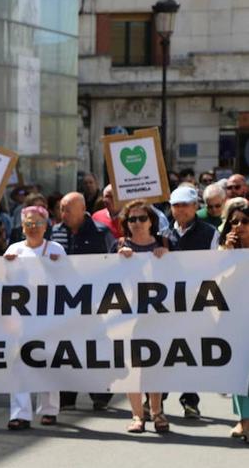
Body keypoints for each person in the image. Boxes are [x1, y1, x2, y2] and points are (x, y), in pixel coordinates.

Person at [51, 192, 116, 410]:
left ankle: (100, 393)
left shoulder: (101, 232)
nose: (63, 213)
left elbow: (114, 263)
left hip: (94, 303)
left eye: (68, 209)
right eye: (61, 208)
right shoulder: (55, 233)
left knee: (94, 348)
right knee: (67, 349)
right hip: (64, 304)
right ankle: (67, 395)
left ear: (82, 209)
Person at [3, 205, 64, 430]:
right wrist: (7, 266)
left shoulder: (55, 248)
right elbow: (4, 283)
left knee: (48, 359)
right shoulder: (14, 250)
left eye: (37, 223)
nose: (33, 228)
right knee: (20, 362)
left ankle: (49, 409)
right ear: (22, 226)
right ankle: (20, 413)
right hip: (22, 316)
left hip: (49, 315)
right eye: (28, 223)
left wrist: (59, 265)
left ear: (46, 225)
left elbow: (68, 279)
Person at [162, 185, 219, 419]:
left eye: (185, 205)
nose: (180, 210)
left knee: (191, 353)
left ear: (195, 206)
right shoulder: (164, 235)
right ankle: (158, 400)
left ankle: (190, 400)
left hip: (197, 303)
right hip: (168, 305)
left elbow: (217, 265)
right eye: (176, 205)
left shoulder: (209, 232)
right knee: (165, 353)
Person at [117, 200, 170, 434]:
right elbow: (101, 278)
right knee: (133, 366)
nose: (137, 223)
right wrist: (118, 259)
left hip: (157, 317)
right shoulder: (117, 246)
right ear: (126, 224)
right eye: (132, 219)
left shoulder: (165, 245)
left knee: (155, 365)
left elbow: (180, 277)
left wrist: (167, 256)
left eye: (142, 218)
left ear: (151, 221)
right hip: (127, 318)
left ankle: (157, 412)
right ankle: (137, 415)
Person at [217, 197, 249, 442]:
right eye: (234, 222)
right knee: (240, 371)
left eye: (245, 221)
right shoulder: (223, 250)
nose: (239, 226)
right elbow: (213, 281)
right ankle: (243, 421)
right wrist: (226, 254)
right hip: (236, 318)